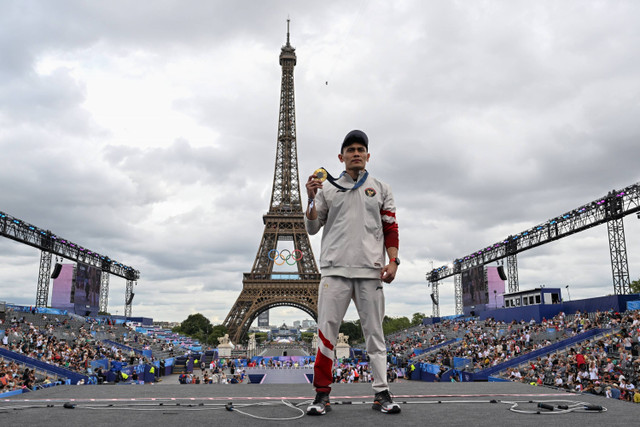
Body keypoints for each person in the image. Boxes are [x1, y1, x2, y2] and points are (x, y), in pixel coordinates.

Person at [304, 130, 401, 415]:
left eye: (361, 149)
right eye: (351, 150)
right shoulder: (328, 188)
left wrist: (393, 261)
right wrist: (310, 198)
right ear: (341, 157)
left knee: (375, 335)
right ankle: (322, 394)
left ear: (368, 155)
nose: (356, 153)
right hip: (334, 270)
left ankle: (381, 391)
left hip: (370, 270)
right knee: (326, 335)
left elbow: (391, 228)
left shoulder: (382, 188)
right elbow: (312, 227)